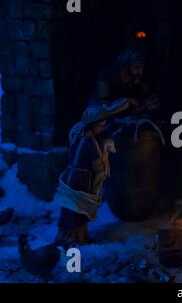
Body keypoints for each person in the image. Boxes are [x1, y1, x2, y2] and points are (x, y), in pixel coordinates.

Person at [54, 100, 128, 246]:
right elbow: (98, 166)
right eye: (100, 125)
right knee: (79, 209)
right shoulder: (90, 141)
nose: (102, 128)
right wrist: (98, 181)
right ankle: (73, 239)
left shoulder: (76, 131)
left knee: (72, 207)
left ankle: (78, 236)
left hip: (70, 174)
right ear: (92, 124)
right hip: (82, 179)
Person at [95, 43, 159, 113]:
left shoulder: (137, 78)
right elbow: (103, 107)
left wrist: (150, 101)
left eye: (142, 67)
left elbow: (146, 95)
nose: (141, 72)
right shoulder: (107, 76)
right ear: (126, 65)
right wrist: (124, 101)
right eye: (137, 67)